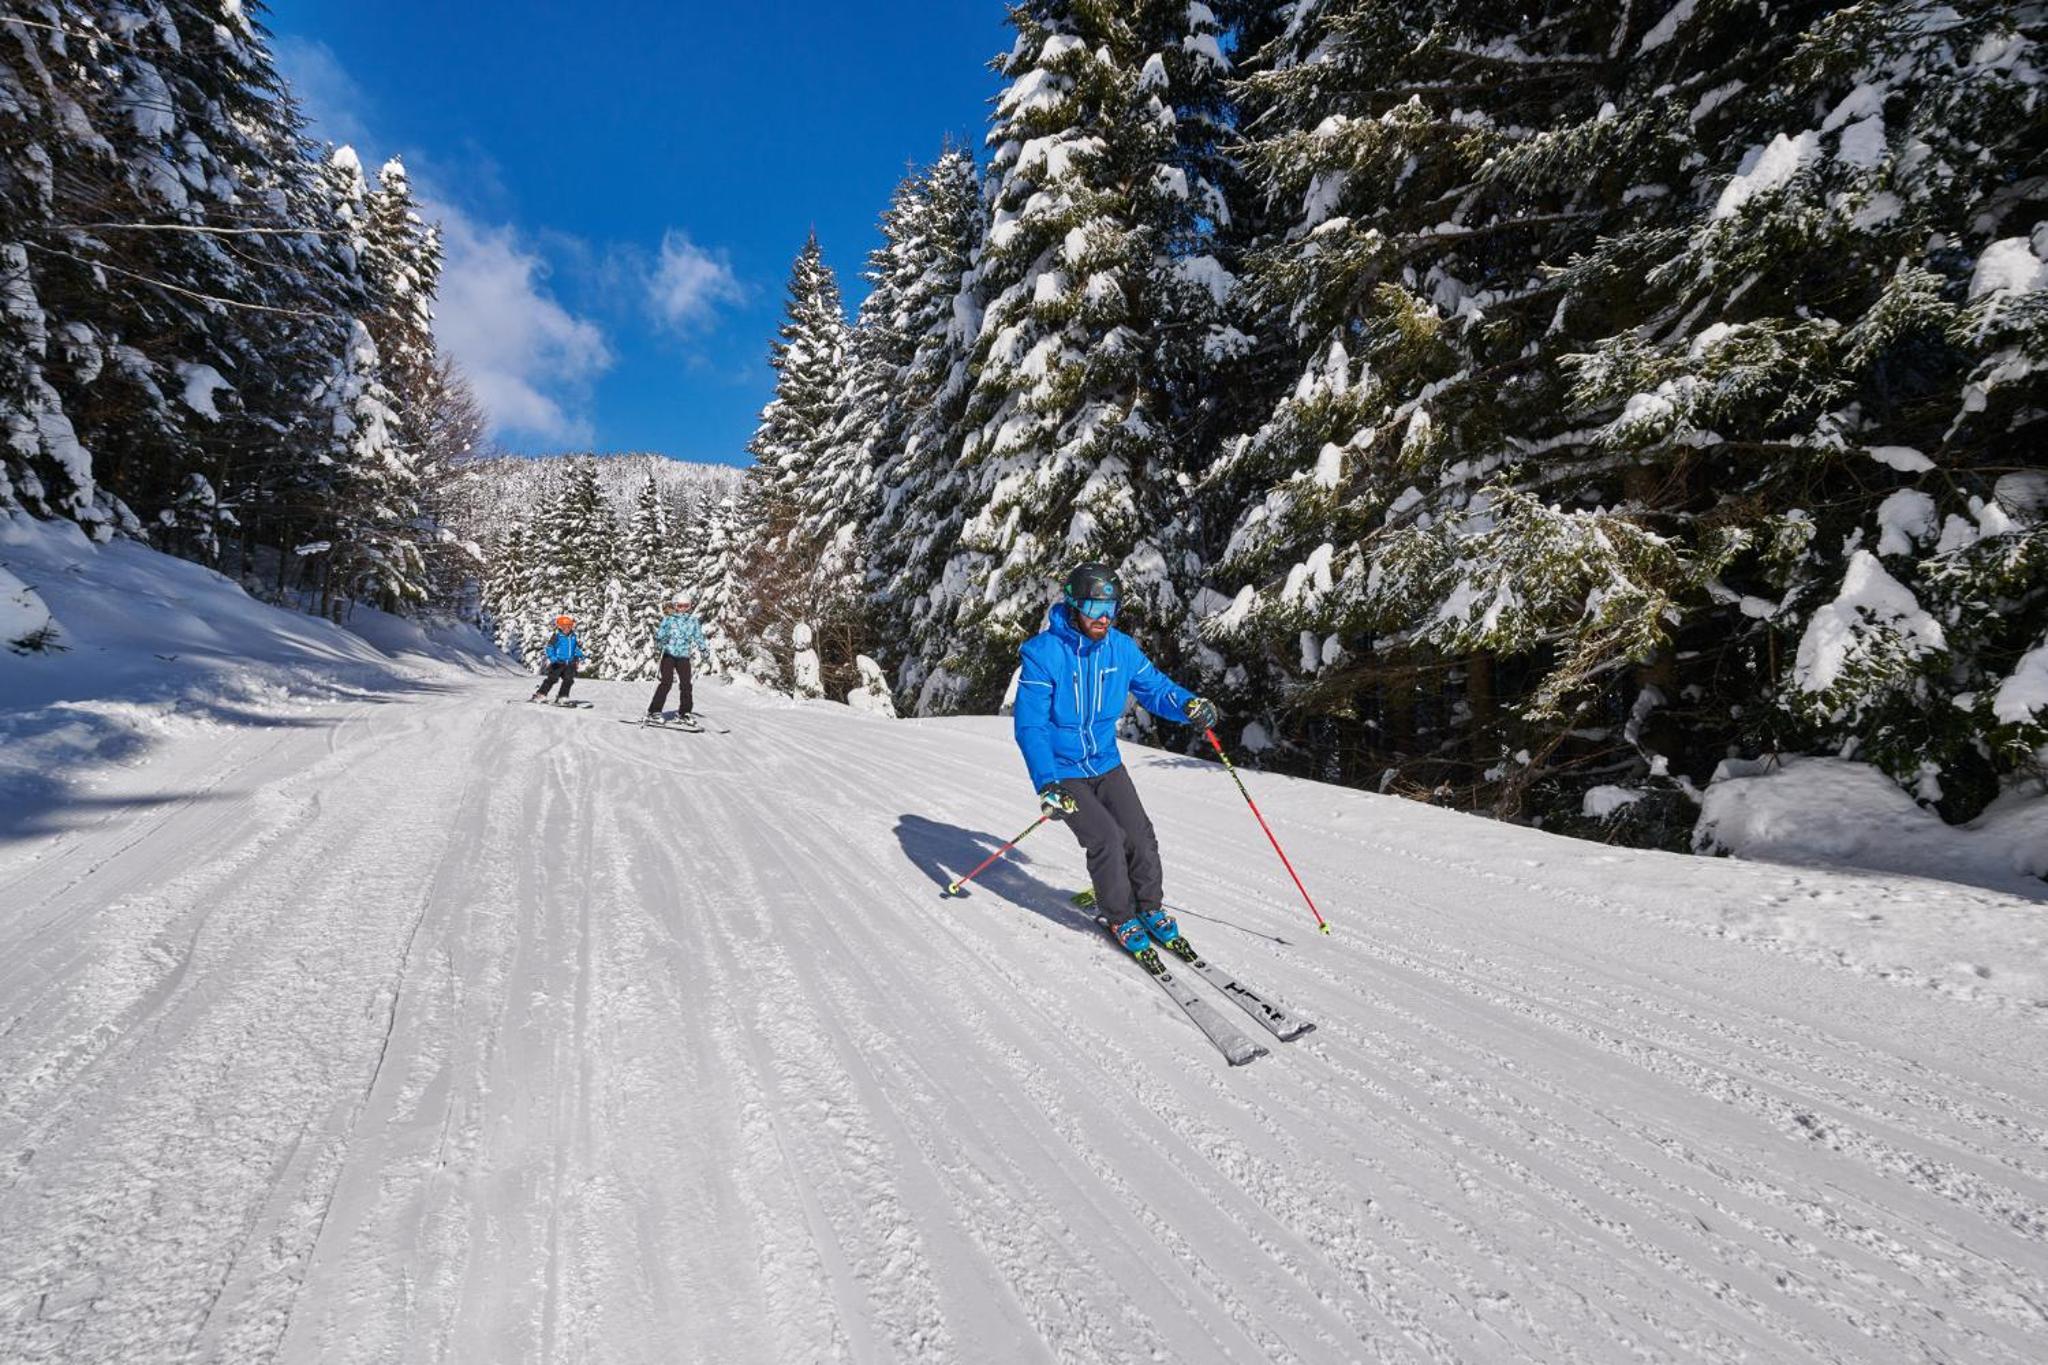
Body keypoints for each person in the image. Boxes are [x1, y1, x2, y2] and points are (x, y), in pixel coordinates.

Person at [1013, 562, 1220, 957]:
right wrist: (1047, 783)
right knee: (1107, 838)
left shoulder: (1120, 648)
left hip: (1106, 763)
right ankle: (1120, 915)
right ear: (1074, 605)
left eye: (1111, 608)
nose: (1104, 617)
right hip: (1063, 771)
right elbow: (1031, 727)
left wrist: (1187, 704)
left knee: (1140, 835)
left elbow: (1155, 689)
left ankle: (1150, 908)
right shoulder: (1043, 655)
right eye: (1094, 608)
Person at [643, 593, 711, 724]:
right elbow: (659, 635)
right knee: (666, 682)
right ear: (675, 606)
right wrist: (661, 640)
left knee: (686, 685)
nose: (683, 609)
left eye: (686, 606)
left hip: (683, 656)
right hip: (668, 654)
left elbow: (698, 636)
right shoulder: (669, 619)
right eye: (680, 606)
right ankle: (654, 711)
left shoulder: (692, 621)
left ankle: (684, 713)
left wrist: (703, 649)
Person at [531, 613, 587, 702]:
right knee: (552, 679)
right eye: (564, 627)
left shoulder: (573, 636)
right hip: (558, 662)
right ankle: (540, 694)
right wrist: (552, 658)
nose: (567, 629)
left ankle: (562, 696)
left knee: (569, 680)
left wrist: (580, 655)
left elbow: (575, 648)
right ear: (560, 627)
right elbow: (550, 648)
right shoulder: (557, 636)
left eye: (569, 627)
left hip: (570, 663)